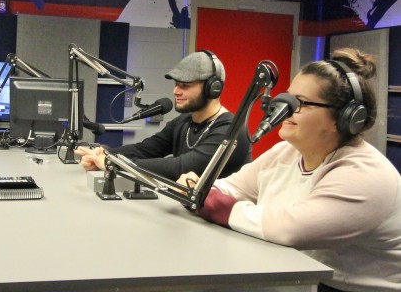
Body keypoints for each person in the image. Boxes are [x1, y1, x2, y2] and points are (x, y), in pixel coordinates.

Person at [179, 48, 400, 292]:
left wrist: (212, 201)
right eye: (288, 98)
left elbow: (290, 228)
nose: (284, 108)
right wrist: (200, 188)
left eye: (301, 103)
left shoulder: (365, 174)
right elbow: (231, 187)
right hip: (301, 277)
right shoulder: (284, 152)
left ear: (344, 118)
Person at [75, 50, 251, 181]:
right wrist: (105, 154)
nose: (176, 91)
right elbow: (146, 149)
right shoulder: (184, 122)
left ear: (213, 88)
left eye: (185, 85)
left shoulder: (231, 130)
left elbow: (181, 168)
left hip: (219, 228)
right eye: (176, 84)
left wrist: (112, 163)